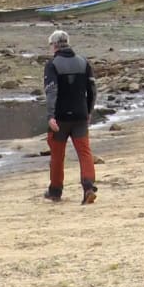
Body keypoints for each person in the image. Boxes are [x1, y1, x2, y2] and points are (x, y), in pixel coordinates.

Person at [42, 30, 98, 205]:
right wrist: (89, 111)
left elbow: (51, 92)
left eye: (51, 45)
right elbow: (93, 90)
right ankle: (88, 187)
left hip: (60, 118)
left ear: (55, 45)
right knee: (85, 152)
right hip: (81, 115)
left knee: (57, 155)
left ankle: (55, 191)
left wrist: (51, 116)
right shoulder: (84, 62)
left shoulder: (52, 65)